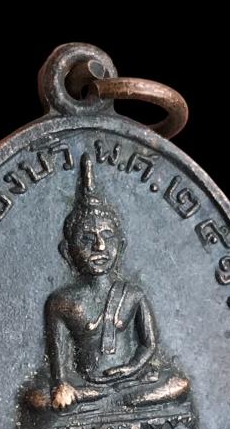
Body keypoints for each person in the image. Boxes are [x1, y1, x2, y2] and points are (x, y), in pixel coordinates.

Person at [27, 152, 190, 414]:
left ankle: (115, 400)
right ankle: (112, 401)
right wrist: (61, 384)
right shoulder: (61, 303)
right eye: (87, 239)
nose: (100, 247)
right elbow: (58, 358)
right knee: (38, 398)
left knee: (178, 384)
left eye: (107, 237)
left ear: (120, 246)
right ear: (67, 252)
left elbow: (148, 344)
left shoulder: (133, 295)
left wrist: (131, 368)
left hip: (131, 381)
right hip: (88, 385)